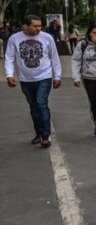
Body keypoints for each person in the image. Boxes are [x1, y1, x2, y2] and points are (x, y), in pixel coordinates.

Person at [4, 15, 62, 148]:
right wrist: (9, 75)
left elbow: (54, 57)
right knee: (34, 107)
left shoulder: (47, 37)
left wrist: (57, 76)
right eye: (35, 26)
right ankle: (38, 133)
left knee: (41, 103)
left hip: (44, 77)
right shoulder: (15, 38)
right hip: (25, 79)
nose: (38, 28)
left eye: (40, 25)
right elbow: (9, 57)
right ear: (25, 26)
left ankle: (45, 136)